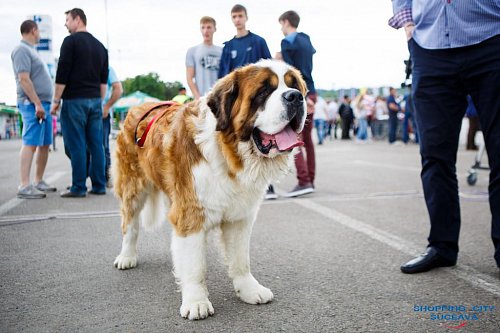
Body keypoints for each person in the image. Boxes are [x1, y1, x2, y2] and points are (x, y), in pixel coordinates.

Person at [389, 1, 500, 273]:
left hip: (491, 37)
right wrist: (409, 28)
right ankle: (441, 245)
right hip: (429, 46)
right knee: (434, 155)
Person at [50, 8, 108, 198]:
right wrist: (98, 102)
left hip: (74, 100)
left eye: (67, 19)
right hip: (95, 101)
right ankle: (99, 185)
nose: (66, 24)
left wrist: (56, 100)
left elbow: (62, 73)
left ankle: (79, 187)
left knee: (76, 145)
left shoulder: (70, 42)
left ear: (77, 19)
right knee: (96, 145)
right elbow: (103, 82)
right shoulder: (100, 47)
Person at [11, 20, 57, 199]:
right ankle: (24, 184)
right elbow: (24, 79)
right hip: (32, 104)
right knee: (30, 143)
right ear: (33, 30)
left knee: (45, 144)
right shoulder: (21, 50)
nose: (39, 35)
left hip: (42, 104)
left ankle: (38, 180)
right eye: (38, 32)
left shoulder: (31, 50)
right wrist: (37, 103)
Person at [276, 10, 317, 198]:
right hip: (313, 90)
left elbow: (292, 72)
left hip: (301, 94)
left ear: (286, 22)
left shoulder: (287, 42)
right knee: (307, 140)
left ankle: (303, 180)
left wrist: (280, 59)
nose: (281, 29)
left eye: (281, 25)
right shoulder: (306, 39)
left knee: (296, 138)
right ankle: (311, 179)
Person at [218, 4, 271, 79]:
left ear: (246, 18)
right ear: (231, 19)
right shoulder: (228, 47)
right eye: (234, 17)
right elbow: (222, 75)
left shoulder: (259, 41)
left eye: (240, 16)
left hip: (254, 85)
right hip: (236, 87)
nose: (237, 19)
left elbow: (269, 67)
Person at [186, 16, 222, 100]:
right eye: (203, 27)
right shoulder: (192, 51)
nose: (206, 31)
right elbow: (189, 78)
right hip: (201, 98)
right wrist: (197, 97)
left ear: (214, 29)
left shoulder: (222, 51)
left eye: (209, 27)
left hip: (218, 99)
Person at [102, 66, 123, 187]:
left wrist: (107, 106)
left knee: (103, 147)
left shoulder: (107, 68)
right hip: (85, 113)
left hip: (102, 114)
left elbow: (118, 89)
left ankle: (106, 178)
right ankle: (82, 179)